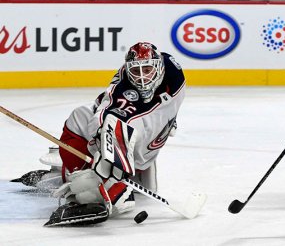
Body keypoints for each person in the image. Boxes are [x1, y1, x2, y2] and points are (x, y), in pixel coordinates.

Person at [13, 42, 185, 226]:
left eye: (148, 69)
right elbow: (104, 114)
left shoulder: (171, 68)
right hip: (144, 153)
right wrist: (100, 141)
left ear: (159, 66)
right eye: (136, 72)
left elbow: (107, 117)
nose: (142, 78)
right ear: (128, 70)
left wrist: (103, 149)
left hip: (137, 152)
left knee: (80, 118)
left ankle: (96, 188)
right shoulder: (133, 86)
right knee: (95, 121)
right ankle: (91, 176)